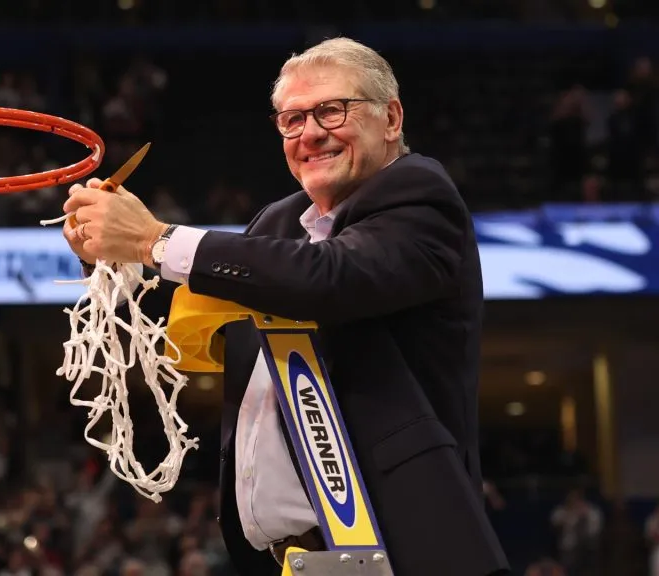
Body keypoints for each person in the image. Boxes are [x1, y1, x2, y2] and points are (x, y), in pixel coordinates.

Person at [61, 37, 508, 576]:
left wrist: (155, 240)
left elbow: (331, 280)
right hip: (290, 561)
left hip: (403, 552)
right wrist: (113, 255)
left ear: (391, 118)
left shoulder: (420, 197)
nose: (310, 133)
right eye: (291, 119)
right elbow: (187, 326)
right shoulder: (276, 225)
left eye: (331, 111)